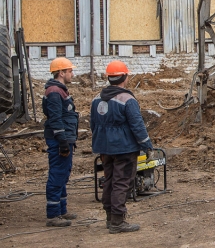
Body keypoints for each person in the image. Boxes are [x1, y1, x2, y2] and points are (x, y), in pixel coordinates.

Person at [91, 60, 153, 234]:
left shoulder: (96, 99)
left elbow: (93, 125)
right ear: (125, 77)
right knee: (122, 182)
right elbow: (137, 125)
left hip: (105, 148)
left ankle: (110, 218)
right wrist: (147, 145)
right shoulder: (127, 99)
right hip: (124, 148)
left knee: (109, 180)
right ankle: (118, 221)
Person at [42, 57, 79, 227]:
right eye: (70, 71)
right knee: (57, 173)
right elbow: (56, 118)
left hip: (64, 139)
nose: (72, 74)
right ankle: (53, 215)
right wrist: (62, 141)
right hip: (60, 140)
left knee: (63, 173)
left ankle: (62, 210)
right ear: (61, 73)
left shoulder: (59, 90)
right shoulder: (55, 91)